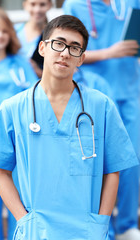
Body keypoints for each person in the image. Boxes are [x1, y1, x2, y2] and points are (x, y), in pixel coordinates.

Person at [0, 15, 139, 240]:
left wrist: (101, 222)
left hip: (87, 232)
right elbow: (0, 171)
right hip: (36, 233)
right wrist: (23, 219)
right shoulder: (13, 108)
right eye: (59, 43)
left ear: (81, 59)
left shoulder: (101, 106)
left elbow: (113, 170)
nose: (65, 52)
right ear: (42, 47)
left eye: (75, 48)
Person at [63, 1, 140, 239]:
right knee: (94, 162)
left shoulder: (131, 3)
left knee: (131, 161)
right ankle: (96, 227)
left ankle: (126, 225)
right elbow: (67, 50)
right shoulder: (75, 4)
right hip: (94, 93)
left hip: (130, 91)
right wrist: (109, 52)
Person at [0, 7, 38, 240]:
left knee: (20, 194)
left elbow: (34, 94)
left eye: (5, 31)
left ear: (11, 35)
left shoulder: (19, 63)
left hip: (19, 137)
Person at [16, 0, 52, 77]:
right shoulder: (13, 32)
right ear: (25, 5)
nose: (37, 10)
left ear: (50, 5)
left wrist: (37, 71)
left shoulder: (53, 36)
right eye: (32, 4)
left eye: (42, 5)